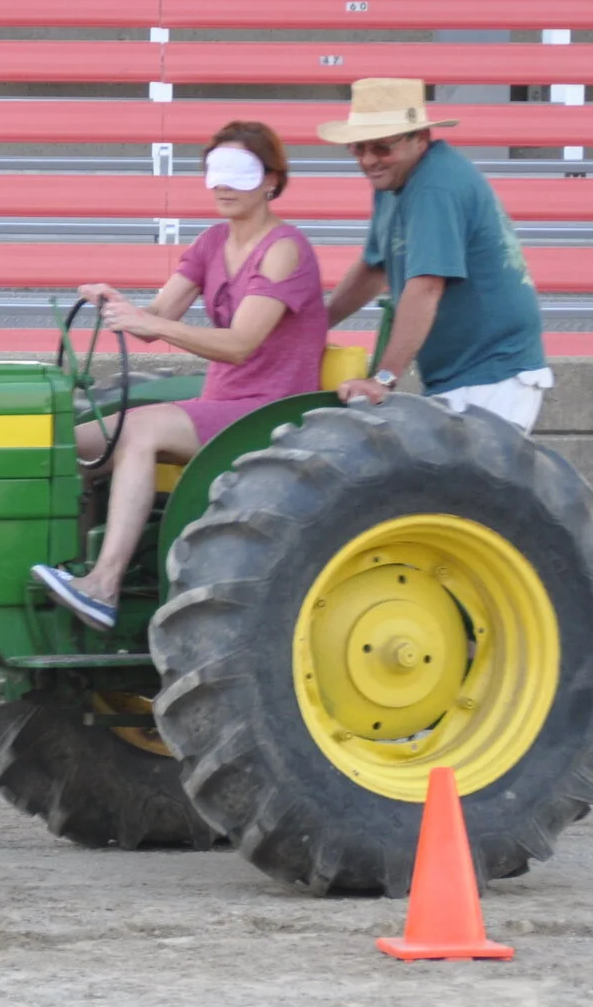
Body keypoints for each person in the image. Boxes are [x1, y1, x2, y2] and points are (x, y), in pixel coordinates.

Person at [31, 121, 327, 631]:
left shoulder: (284, 249)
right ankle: (69, 568)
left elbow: (239, 344)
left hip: (266, 412)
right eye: (216, 171)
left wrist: (152, 322)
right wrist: (122, 307)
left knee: (138, 431)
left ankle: (104, 585)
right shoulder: (212, 242)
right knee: (73, 441)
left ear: (272, 180)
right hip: (220, 405)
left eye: (240, 172)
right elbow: (158, 316)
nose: (224, 184)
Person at [318, 77, 552, 430]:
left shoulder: (435, 187)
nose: (368, 160)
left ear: (420, 138)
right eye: (358, 147)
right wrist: (312, 327)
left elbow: (426, 287)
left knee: (467, 485)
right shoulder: (395, 180)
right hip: (464, 374)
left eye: (381, 147)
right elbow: (373, 269)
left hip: (492, 375)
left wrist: (382, 379)